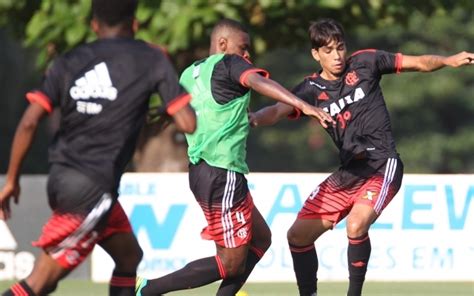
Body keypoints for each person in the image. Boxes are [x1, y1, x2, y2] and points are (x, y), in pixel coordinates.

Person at [250, 18, 474, 296]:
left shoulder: (366, 62)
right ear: (315, 54)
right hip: (349, 172)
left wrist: (448, 60)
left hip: (382, 164)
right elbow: (275, 111)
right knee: (297, 236)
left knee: (356, 225)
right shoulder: (309, 89)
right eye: (329, 50)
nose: (337, 56)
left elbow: (419, 62)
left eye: (340, 48)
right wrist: (253, 119)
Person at [0, 0, 196, 295]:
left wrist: (12, 180)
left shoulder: (68, 60)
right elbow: (187, 124)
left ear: (93, 24)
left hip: (63, 179)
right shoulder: (152, 59)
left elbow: (29, 123)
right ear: (135, 23)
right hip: (91, 191)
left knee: (129, 256)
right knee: (40, 282)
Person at [135, 18, 334, 296]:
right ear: (223, 44)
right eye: (244, 48)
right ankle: (148, 289)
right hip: (222, 172)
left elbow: (186, 113)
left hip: (202, 172)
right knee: (231, 264)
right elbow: (257, 81)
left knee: (260, 238)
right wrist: (303, 105)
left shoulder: (188, 73)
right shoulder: (230, 63)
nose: (247, 56)